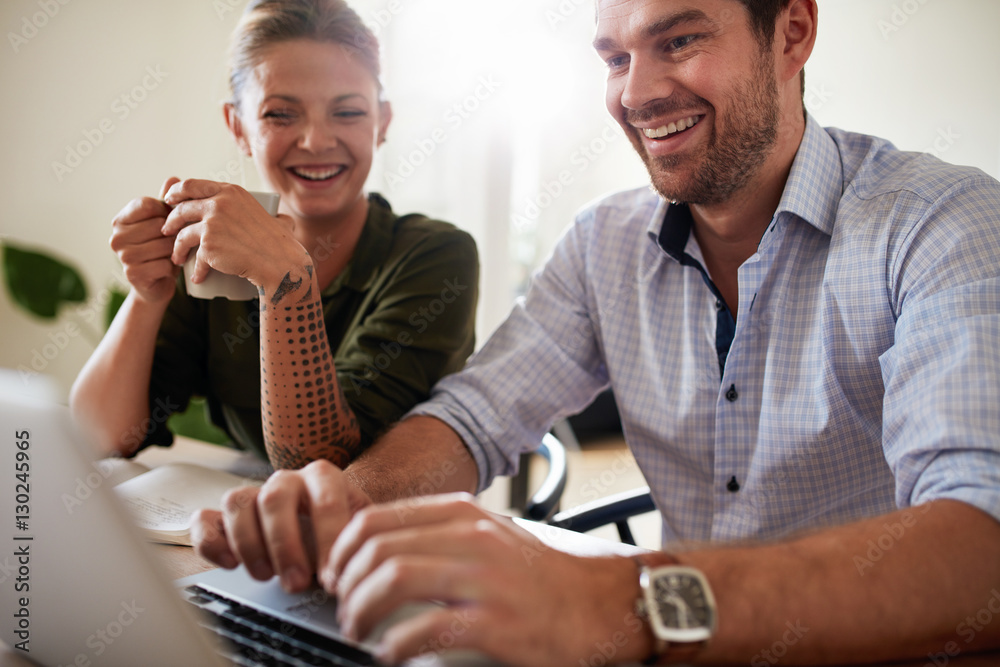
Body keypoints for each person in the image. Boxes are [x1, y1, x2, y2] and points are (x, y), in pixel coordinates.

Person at [192, 0, 1000, 664]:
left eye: (678, 40)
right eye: (614, 59)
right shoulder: (603, 242)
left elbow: (982, 553)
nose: (637, 93)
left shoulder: (941, 223)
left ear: (791, 32)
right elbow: (473, 419)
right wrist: (338, 508)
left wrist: (628, 597)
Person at [69, 0, 479, 470]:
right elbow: (97, 440)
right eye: (281, 115)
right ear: (238, 127)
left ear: (381, 123)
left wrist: (285, 280)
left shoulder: (435, 256)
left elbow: (322, 463)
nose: (316, 141)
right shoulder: (211, 252)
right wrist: (148, 296)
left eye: (347, 112)